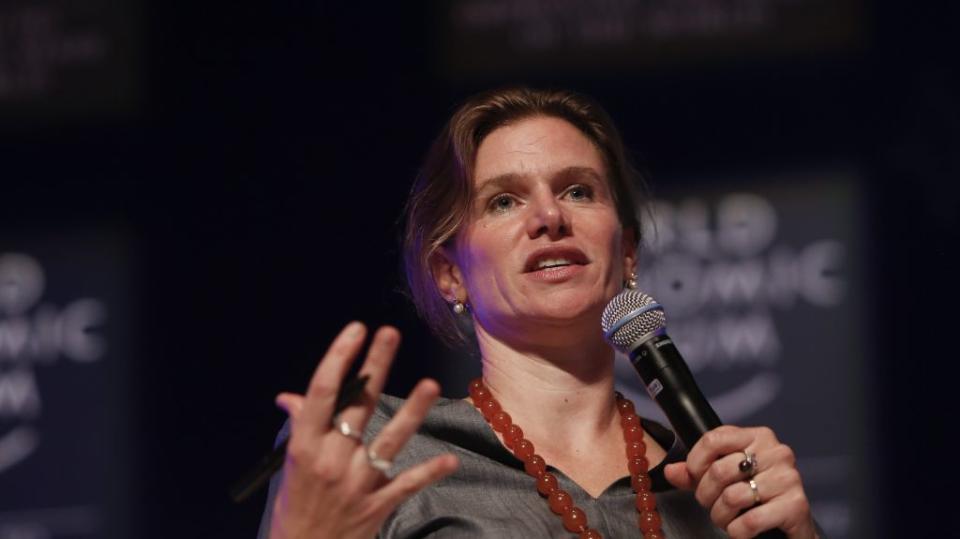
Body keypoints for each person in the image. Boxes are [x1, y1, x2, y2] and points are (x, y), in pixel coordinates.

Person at [257, 87, 821, 538]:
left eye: (578, 191)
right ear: (450, 273)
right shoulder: (378, 452)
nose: (549, 216)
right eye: (504, 201)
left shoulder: (718, 488)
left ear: (626, 253)